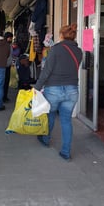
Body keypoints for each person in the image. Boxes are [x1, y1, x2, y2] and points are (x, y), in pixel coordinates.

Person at [33, 24, 82, 161]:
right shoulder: (79, 51)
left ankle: (45, 139)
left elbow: (46, 71)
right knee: (66, 121)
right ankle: (66, 152)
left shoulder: (55, 50)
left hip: (54, 89)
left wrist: (36, 87)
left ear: (61, 35)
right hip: (72, 90)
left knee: (50, 116)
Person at [3, 32, 13, 102]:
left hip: (7, 66)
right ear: (7, 38)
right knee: (4, 83)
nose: (11, 39)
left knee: (6, 82)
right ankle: (3, 97)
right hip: (4, 66)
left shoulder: (9, 45)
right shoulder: (5, 45)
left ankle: (4, 97)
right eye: (10, 38)